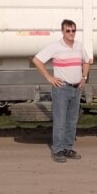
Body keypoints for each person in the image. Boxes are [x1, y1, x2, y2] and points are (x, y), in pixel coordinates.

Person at [32, 19, 90, 163]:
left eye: (73, 30)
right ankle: (57, 150)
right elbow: (37, 60)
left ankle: (67, 148)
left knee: (72, 121)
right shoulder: (55, 47)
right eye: (68, 31)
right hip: (61, 89)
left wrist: (84, 77)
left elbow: (87, 61)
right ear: (62, 32)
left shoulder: (79, 46)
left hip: (76, 89)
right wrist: (49, 78)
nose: (71, 33)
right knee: (60, 122)